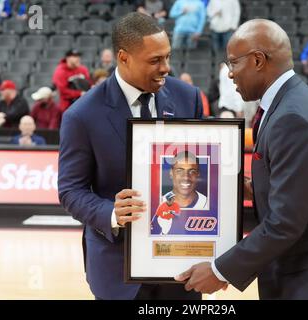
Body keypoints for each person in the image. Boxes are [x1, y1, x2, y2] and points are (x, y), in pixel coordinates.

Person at [175, 18, 308, 300]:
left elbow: (286, 223)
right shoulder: (291, 104)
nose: (230, 74)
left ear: (258, 60)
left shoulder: (292, 118)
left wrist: (219, 270)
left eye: (234, 63)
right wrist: (254, 189)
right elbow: (300, 195)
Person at [58, 12, 203, 300]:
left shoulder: (189, 98)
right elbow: (70, 190)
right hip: (117, 268)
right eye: (155, 60)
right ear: (123, 57)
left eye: (167, 57)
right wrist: (111, 213)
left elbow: (203, 167)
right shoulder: (82, 115)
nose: (166, 67)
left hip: (180, 265)